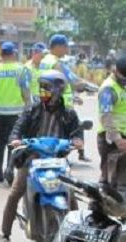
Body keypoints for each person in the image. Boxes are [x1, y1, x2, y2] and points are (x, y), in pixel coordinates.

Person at [0, 70, 84, 242]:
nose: (43, 92)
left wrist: (78, 141)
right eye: (41, 88)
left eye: (47, 88)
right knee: (15, 193)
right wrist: (15, 139)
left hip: (57, 160)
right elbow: (18, 127)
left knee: (70, 194)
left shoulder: (69, 113)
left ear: (58, 89)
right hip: (32, 159)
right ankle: (4, 236)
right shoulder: (32, 109)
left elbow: (77, 132)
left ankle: (78, 236)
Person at [0, 41, 32, 182]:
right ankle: (9, 170)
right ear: (13, 53)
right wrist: (29, 109)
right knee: (13, 143)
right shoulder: (21, 70)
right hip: (15, 115)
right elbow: (26, 92)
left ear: (1, 54)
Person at [41, 34, 92, 161]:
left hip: (46, 100)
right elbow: (70, 80)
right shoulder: (55, 63)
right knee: (73, 129)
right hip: (60, 103)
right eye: (65, 47)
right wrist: (87, 86)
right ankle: (63, 158)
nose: (67, 50)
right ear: (57, 47)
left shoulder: (44, 61)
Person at [97, 53, 126, 183]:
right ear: (116, 71)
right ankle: (95, 203)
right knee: (108, 179)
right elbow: (105, 116)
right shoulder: (108, 89)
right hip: (111, 139)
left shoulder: (122, 85)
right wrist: (118, 140)